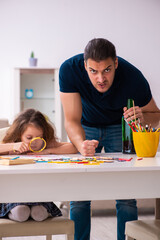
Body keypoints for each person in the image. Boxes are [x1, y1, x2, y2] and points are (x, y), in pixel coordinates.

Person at [59, 38, 160, 240]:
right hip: (85, 126)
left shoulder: (133, 77)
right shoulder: (69, 70)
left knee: (126, 197)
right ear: (84, 66)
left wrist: (142, 115)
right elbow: (71, 120)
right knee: (78, 198)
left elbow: (155, 115)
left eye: (107, 70)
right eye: (93, 71)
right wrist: (81, 145)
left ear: (115, 63)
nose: (100, 79)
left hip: (119, 126)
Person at [0, 108, 77, 222]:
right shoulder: (12, 145)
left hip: (38, 192)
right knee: (21, 212)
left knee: (39, 213)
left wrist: (49, 151)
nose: (34, 142)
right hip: (15, 193)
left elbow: (73, 147)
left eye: (39, 137)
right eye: (29, 138)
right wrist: (12, 146)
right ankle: (15, 211)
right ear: (19, 134)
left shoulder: (44, 145)